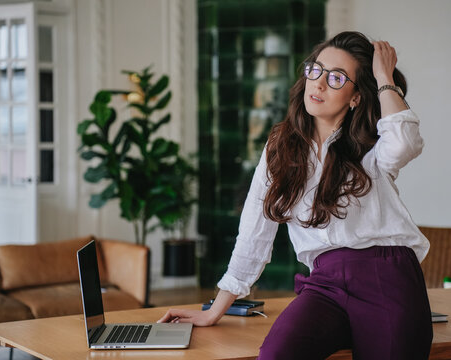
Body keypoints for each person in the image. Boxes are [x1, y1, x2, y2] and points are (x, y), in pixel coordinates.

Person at [158, 31, 433, 360]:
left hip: (386, 277)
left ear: (356, 96)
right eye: (315, 70)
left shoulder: (372, 143)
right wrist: (214, 310)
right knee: (276, 355)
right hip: (325, 284)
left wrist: (383, 77)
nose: (318, 83)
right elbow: (254, 231)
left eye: (335, 78)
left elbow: (405, 144)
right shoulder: (280, 144)